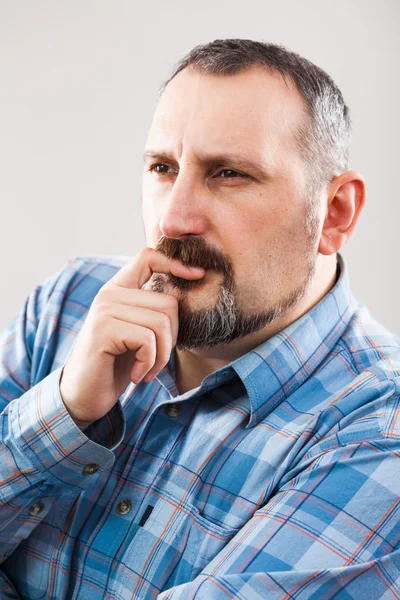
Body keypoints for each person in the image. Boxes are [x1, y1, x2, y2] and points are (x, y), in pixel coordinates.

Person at [0, 38, 399, 600]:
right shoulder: (68, 303)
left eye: (230, 173)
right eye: (163, 167)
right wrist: (62, 412)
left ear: (334, 213)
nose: (175, 218)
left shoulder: (380, 431)